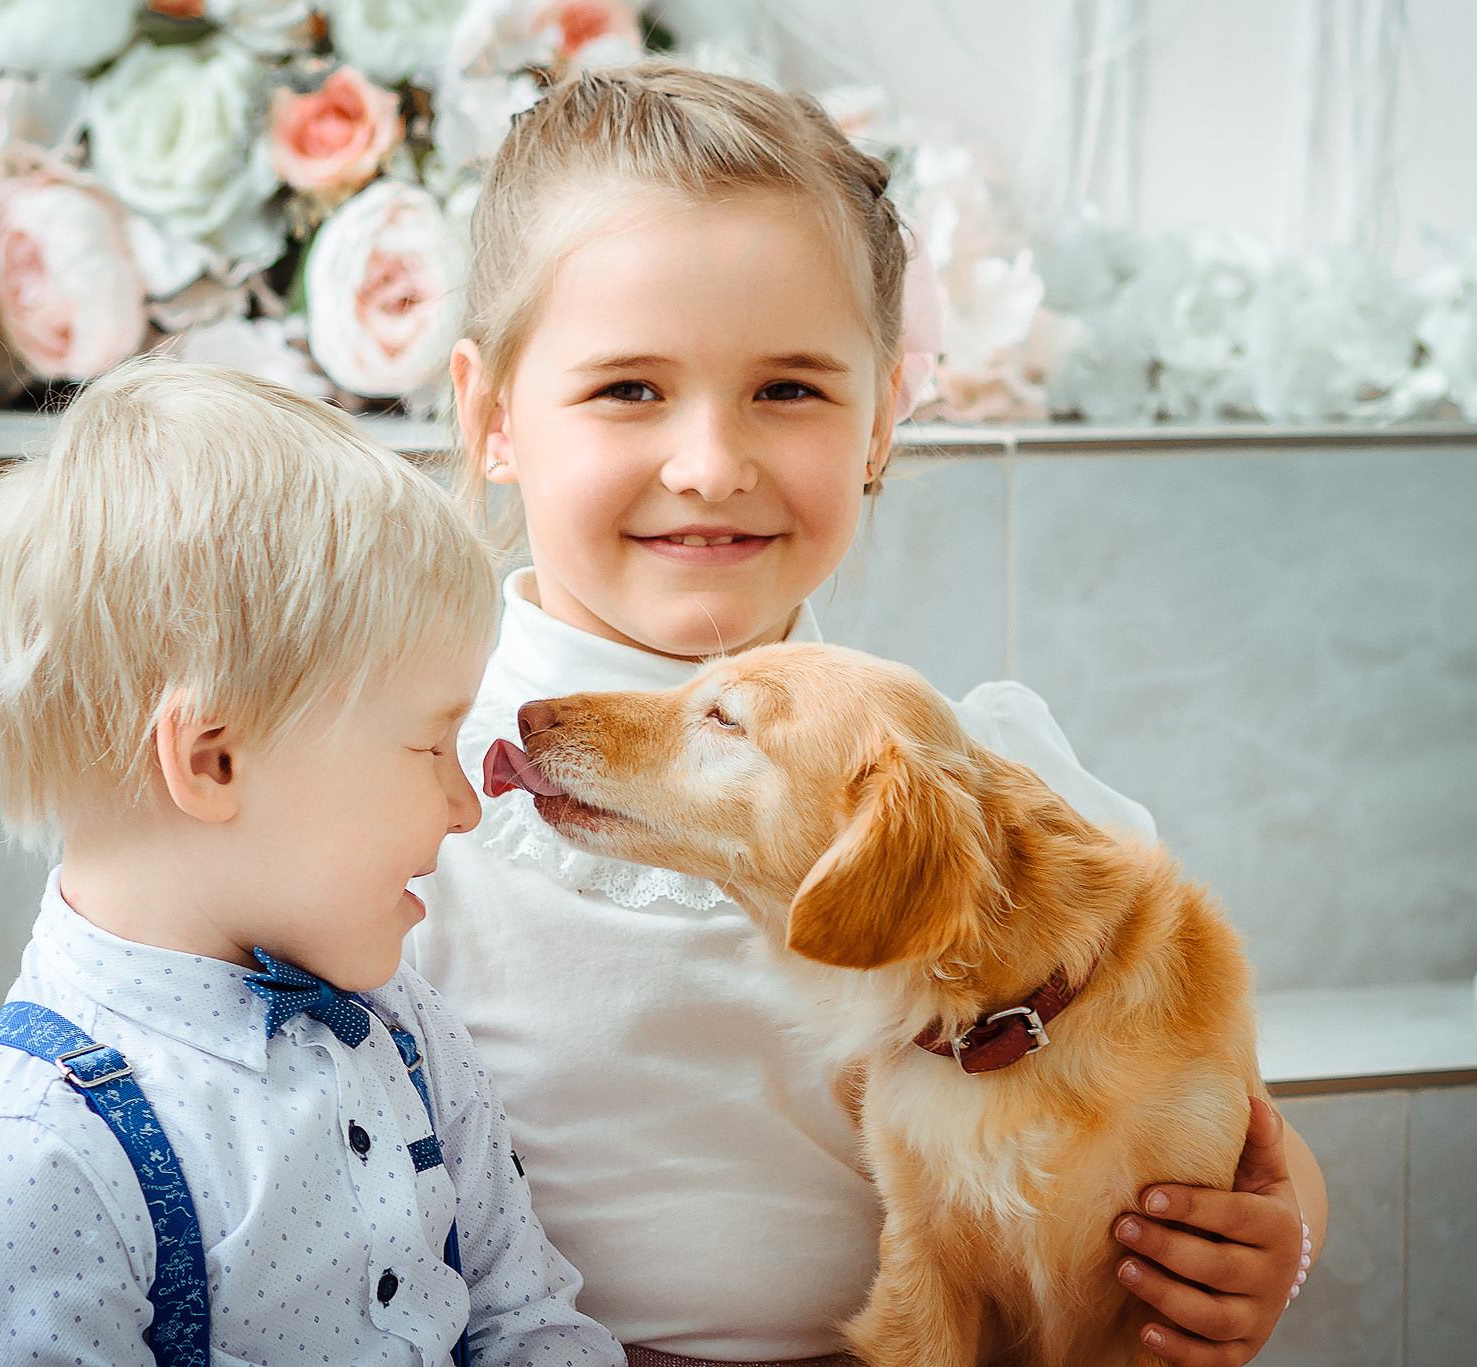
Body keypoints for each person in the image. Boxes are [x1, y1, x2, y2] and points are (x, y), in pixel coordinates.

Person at [409, 63, 1328, 1367]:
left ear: (886, 414)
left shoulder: (988, 784)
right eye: (629, 388)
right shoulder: (404, 788)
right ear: (494, 414)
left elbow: (1237, 1124)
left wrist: (1272, 1242)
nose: (710, 462)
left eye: (789, 389)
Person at [0, 360, 625, 1367]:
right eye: (425, 745)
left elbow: (526, 1318)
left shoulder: (405, 1032)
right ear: (212, 758)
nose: (462, 806)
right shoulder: (33, 1156)